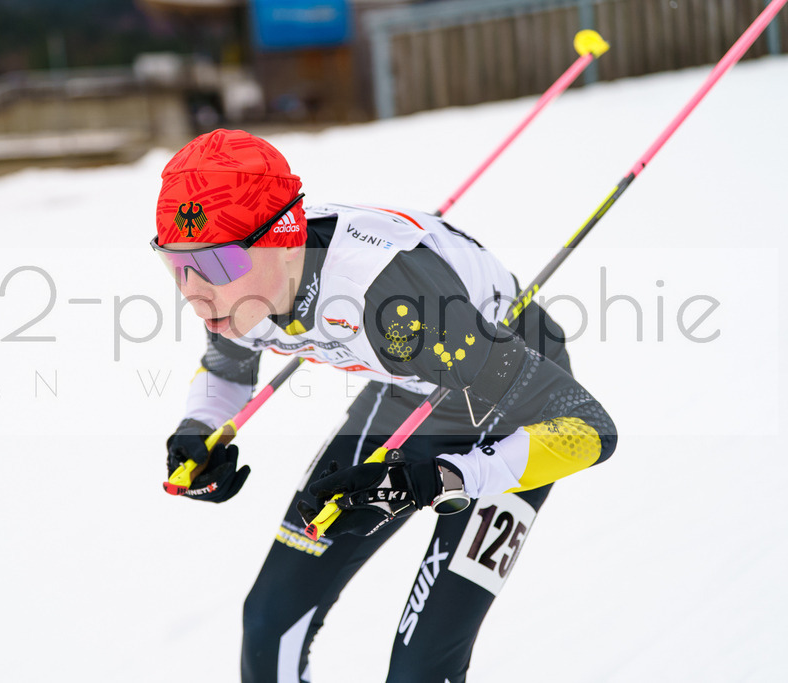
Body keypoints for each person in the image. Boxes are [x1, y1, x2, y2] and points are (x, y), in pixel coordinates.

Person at [152, 129, 617, 683]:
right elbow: (227, 369)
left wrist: (442, 478)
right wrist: (197, 428)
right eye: (177, 266)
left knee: (421, 667)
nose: (196, 292)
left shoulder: (392, 302)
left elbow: (591, 429)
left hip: (515, 411)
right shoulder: (244, 293)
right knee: (270, 622)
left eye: (218, 264)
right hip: (412, 388)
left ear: (282, 239)